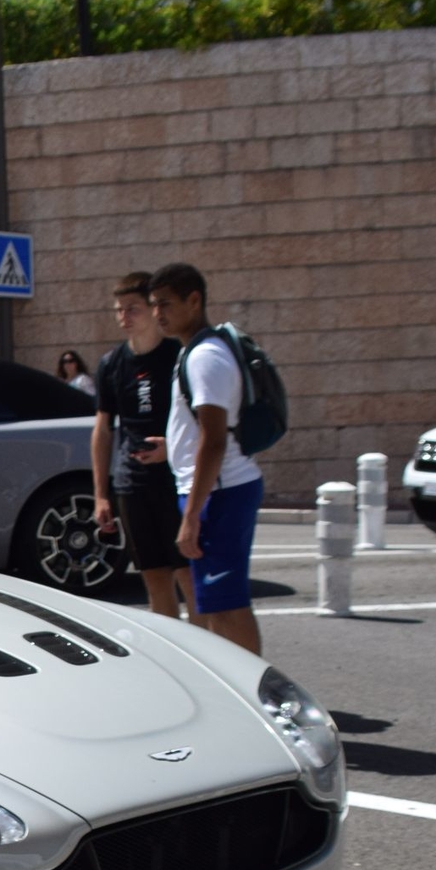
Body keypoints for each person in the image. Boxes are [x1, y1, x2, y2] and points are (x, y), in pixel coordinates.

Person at [139, 261, 264, 654]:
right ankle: (240, 692)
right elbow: (202, 432)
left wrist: (192, 515)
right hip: (213, 491)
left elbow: (214, 439)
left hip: (219, 494)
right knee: (213, 603)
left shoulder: (204, 356)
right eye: (154, 304)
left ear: (194, 301)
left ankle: (257, 697)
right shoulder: (193, 352)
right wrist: (171, 448)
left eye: (166, 303)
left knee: (227, 604)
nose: (158, 313)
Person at [88, 271, 190, 621]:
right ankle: (175, 663)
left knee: (188, 577)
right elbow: (103, 430)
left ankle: (207, 658)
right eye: (119, 310)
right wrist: (102, 494)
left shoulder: (179, 357)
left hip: (176, 483)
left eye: (132, 309)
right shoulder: (111, 364)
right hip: (131, 485)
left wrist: (171, 448)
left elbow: (203, 423)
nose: (124, 318)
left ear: (153, 309)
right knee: (155, 578)